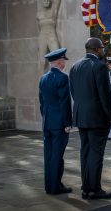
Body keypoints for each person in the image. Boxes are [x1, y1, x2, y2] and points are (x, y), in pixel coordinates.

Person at [69, 38, 111, 199]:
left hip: (82, 116)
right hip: (97, 118)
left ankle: (86, 187)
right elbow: (105, 95)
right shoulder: (99, 67)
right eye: (102, 48)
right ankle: (94, 189)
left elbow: (74, 93)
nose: (103, 50)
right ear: (96, 49)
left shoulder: (75, 66)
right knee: (96, 154)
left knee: (85, 152)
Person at [38, 48, 72, 195]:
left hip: (47, 122)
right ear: (59, 62)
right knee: (57, 156)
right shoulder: (63, 78)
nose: (64, 63)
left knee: (49, 155)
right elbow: (64, 103)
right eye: (63, 60)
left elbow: (42, 103)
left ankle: (49, 185)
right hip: (59, 124)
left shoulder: (43, 78)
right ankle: (55, 187)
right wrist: (67, 123)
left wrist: (45, 118)